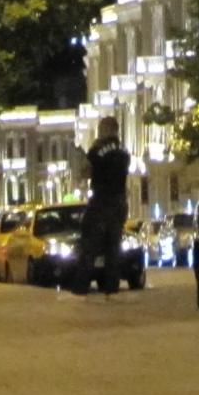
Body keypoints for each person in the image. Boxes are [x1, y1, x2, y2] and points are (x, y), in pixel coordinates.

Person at [66, 116, 130, 296]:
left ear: (106, 130)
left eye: (102, 129)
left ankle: (81, 286)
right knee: (113, 247)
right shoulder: (124, 151)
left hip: (101, 200)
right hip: (119, 202)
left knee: (89, 244)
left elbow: (86, 171)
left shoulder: (97, 149)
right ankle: (111, 286)